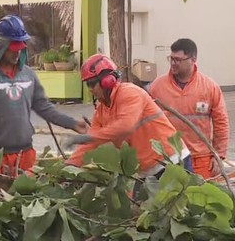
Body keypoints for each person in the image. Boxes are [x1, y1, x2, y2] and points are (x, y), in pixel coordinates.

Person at [0, 14, 88, 177]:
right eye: (12, 49)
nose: (17, 53)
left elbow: (44, 107)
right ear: (1, 46)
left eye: (20, 48)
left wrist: (72, 123)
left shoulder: (28, 75)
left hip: (26, 155)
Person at [69, 54, 192, 188]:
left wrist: (88, 137)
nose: (90, 89)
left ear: (107, 80)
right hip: (145, 172)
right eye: (88, 84)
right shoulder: (102, 110)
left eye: (92, 83)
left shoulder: (130, 93)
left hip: (171, 162)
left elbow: (125, 126)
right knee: (140, 208)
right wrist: (68, 167)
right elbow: (90, 145)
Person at [147, 38, 229, 179]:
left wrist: (218, 156)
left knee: (201, 198)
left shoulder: (209, 87)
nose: (173, 63)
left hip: (200, 159)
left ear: (193, 59)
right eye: (171, 58)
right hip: (170, 158)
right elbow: (147, 124)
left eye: (178, 60)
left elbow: (221, 123)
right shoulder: (157, 87)